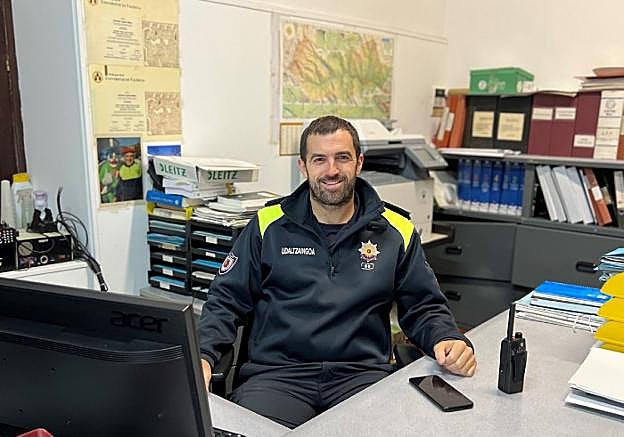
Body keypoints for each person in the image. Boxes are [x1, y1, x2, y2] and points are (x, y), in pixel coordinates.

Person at [198, 116, 476, 428]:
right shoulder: (267, 227)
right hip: (278, 378)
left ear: (359, 163)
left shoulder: (395, 231)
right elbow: (225, 301)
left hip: (362, 378)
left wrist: (446, 337)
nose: (331, 170)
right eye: (319, 159)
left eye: (342, 157)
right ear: (303, 167)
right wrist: (204, 355)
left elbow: (424, 305)